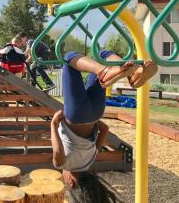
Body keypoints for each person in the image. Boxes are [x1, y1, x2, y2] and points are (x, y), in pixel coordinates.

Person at [50, 50, 157, 203]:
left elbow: (105, 129)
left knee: (102, 55)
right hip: (76, 114)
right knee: (68, 59)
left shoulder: (90, 160)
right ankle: (105, 71)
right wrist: (54, 123)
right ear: (71, 181)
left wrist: (92, 120)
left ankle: (133, 75)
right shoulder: (61, 163)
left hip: (96, 112)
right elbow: (58, 150)